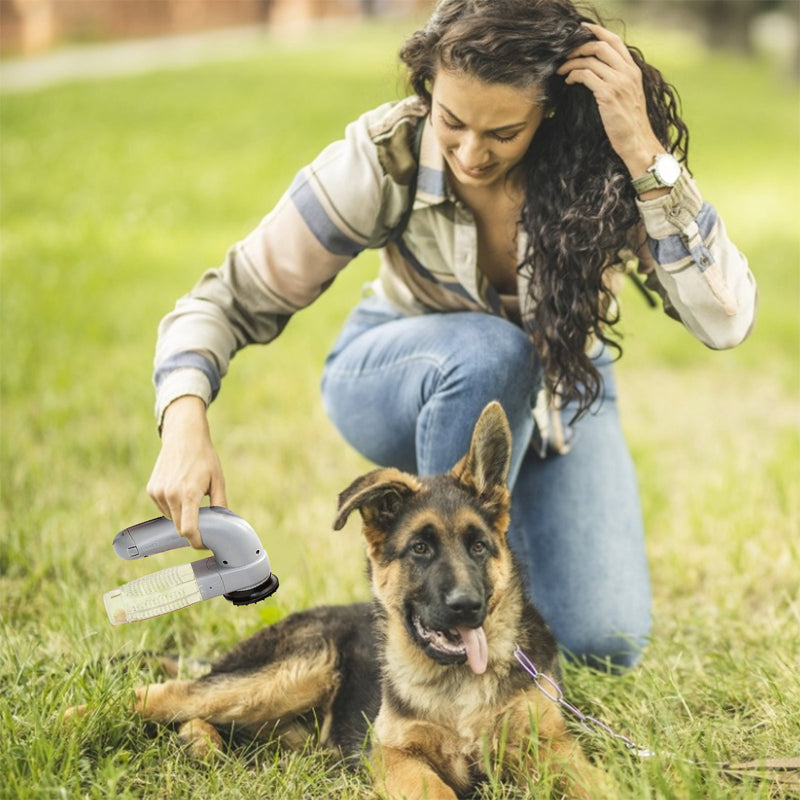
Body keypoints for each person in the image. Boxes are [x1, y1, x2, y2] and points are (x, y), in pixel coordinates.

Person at [147, 0, 757, 669]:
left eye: (503, 132)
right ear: (427, 89)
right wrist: (183, 421)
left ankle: (481, 555)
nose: (470, 152)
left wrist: (644, 151)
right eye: (452, 122)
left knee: (601, 643)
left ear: (549, 111)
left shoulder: (604, 166)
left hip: (556, 396)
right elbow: (230, 296)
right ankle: (416, 636)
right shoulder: (386, 156)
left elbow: (724, 321)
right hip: (403, 373)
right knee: (495, 353)